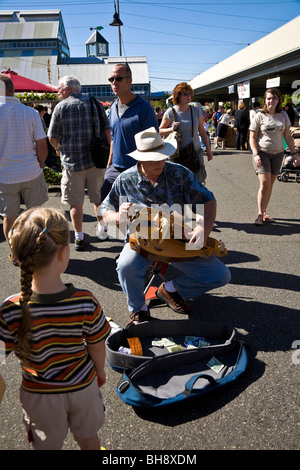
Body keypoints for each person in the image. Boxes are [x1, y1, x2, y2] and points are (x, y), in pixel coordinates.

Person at [0, 207, 110, 450]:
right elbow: (96, 345)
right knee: (89, 440)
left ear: (17, 254)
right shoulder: (85, 300)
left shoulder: (9, 310)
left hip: (39, 395)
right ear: (63, 252)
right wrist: (99, 370)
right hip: (82, 386)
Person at [100, 127, 231, 325]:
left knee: (221, 275)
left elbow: (208, 200)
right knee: (126, 265)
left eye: (162, 156)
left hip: (178, 238)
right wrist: (118, 216)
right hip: (141, 242)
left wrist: (204, 228)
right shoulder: (125, 179)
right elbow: (103, 211)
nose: (160, 162)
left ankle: (171, 290)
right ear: (140, 158)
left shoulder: (180, 173)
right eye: (153, 158)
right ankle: (138, 308)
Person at [48, 76, 111, 251]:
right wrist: (108, 153)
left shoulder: (61, 107)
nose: (59, 92)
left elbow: (52, 136)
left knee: (76, 203)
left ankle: (79, 237)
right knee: (98, 198)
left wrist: (58, 148)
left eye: (60, 89)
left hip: (72, 162)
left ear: (67, 89)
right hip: (96, 159)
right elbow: (107, 129)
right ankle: (103, 228)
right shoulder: (95, 103)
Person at [97, 63, 158, 240]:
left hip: (137, 169)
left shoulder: (143, 107)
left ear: (129, 81)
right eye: (111, 79)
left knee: (137, 214)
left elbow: (152, 143)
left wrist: (148, 172)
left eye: (118, 78)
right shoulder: (113, 107)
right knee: (104, 202)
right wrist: (109, 165)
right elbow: (114, 138)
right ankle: (123, 238)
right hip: (115, 168)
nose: (114, 82)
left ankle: (141, 251)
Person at [0, 74, 48, 264]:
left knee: (9, 217)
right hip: (31, 171)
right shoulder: (31, 113)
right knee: (35, 214)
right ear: (13, 90)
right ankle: (37, 250)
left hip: (4, 175)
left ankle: (16, 253)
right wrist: (40, 164)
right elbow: (42, 145)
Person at [249, 88, 300, 226]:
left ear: (278, 100)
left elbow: (288, 136)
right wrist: (255, 154)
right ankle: (259, 214)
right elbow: (252, 137)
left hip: (278, 154)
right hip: (262, 153)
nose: (272, 101)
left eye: (274, 98)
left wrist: (294, 154)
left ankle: (264, 212)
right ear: (265, 100)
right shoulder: (259, 116)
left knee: (270, 184)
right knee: (264, 182)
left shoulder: (283, 115)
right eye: (269, 98)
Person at [159, 83, 213, 184]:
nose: (189, 96)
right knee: (178, 183)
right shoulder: (170, 112)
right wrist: (171, 129)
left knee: (198, 182)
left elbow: (202, 131)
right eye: (185, 94)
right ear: (178, 95)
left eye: (190, 94)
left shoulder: (196, 111)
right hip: (176, 153)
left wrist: (209, 151)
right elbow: (160, 131)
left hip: (195, 151)